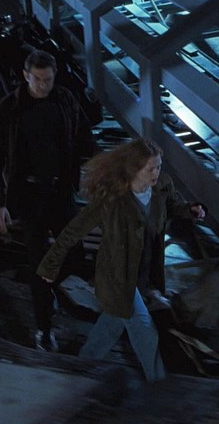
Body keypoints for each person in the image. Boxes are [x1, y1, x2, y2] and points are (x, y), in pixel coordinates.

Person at [36, 138, 206, 383]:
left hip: (144, 274)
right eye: (150, 169)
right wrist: (50, 266)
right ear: (134, 169)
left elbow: (174, 205)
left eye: (158, 167)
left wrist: (191, 210)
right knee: (145, 332)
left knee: (111, 324)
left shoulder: (162, 186)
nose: (156, 173)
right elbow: (74, 231)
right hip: (117, 277)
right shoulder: (112, 200)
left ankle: (80, 367)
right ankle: (160, 387)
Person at [0, 49, 98, 351]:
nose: (44, 85)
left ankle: (54, 292)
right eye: (38, 79)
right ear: (26, 76)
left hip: (60, 192)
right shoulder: (9, 109)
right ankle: (44, 329)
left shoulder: (65, 100)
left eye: (48, 79)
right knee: (38, 262)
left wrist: (99, 170)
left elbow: (85, 137)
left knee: (75, 254)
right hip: (29, 195)